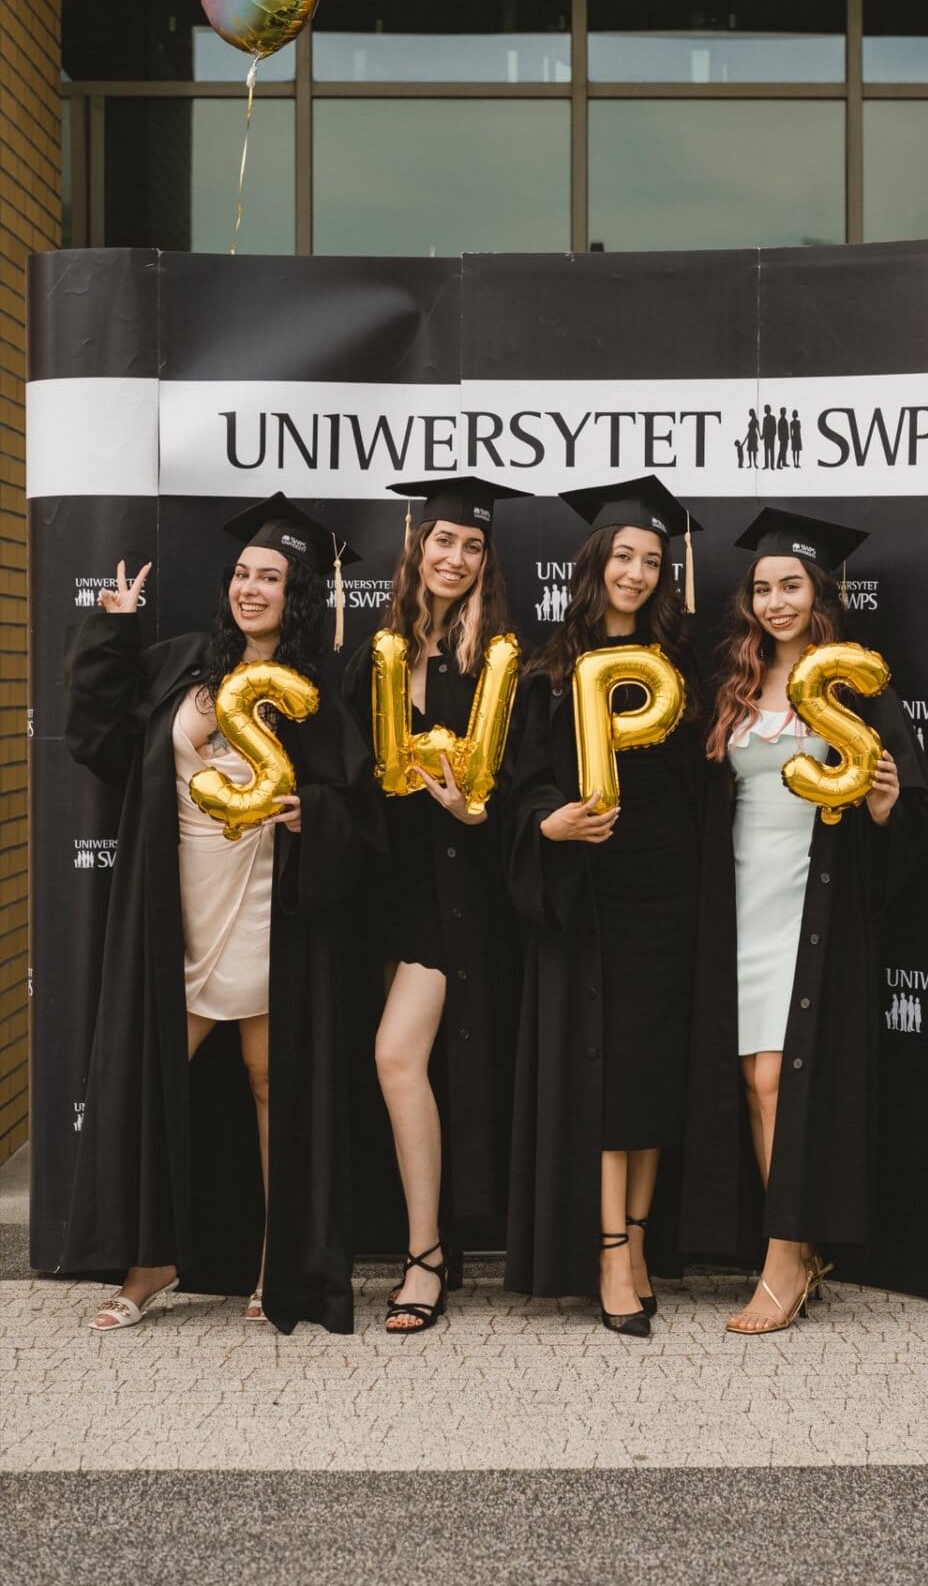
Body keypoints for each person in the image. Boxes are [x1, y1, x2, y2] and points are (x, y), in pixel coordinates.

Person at [63, 493, 378, 1335]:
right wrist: (111, 633)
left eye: (270, 577)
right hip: (181, 905)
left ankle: (281, 1265)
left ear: (297, 592)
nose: (251, 588)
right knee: (152, 1076)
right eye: (242, 573)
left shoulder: (314, 690)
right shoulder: (182, 664)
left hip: (270, 910)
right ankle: (148, 1261)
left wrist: (314, 812)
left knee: (274, 1083)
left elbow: (360, 805)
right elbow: (98, 743)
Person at [681, 509, 928, 1333]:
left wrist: (891, 803)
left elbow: (915, 803)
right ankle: (793, 1247)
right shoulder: (734, 686)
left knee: (780, 1081)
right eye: (762, 588)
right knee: (754, 1081)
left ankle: (785, 1257)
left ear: (821, 593)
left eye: (791, 585)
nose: (776, 601)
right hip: (743, 900)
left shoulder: (855, 689)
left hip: (812, 904)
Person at [502, 476, 704, 1339]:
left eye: (652, 560)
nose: (636, 572)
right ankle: (609, 1251)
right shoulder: (551, 668)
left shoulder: (684, 665)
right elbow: (520, 782)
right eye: (623, 556)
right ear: (595, 563)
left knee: (655, 1073)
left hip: (672, 891)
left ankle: (641, 1243)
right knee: (609, 1075)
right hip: (595, 895)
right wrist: (548, 820)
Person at [342, 476, 525, 1335]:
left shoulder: (497, 663)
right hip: (378, 888)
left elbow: (524, 789)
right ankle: (404, 1235)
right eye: (443, 541)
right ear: (416, 546)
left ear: (488, 562)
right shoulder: (376, 653)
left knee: (396, 1057)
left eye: (473, 546)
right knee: (384, 1067)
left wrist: (478, 811)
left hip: (455, 894)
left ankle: (427, 1257)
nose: (455, 558)